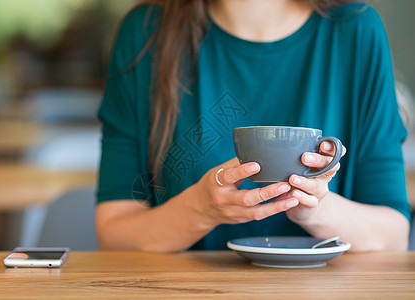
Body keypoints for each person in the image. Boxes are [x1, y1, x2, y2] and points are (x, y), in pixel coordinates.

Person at [96, 0, 411, 252]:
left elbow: (394, 235)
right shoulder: (145, 32)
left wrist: (316, 210)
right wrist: (199, 209)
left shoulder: (356, 30)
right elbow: (113, 235)